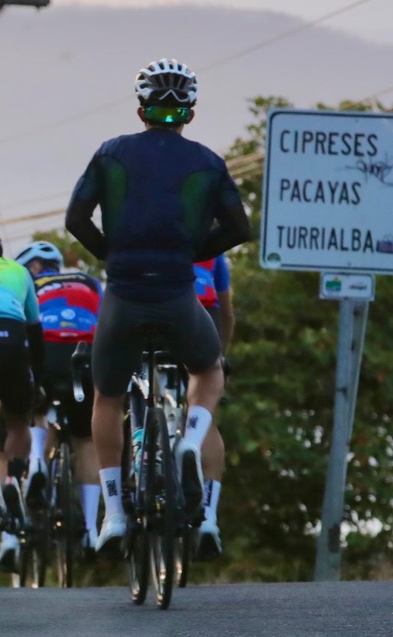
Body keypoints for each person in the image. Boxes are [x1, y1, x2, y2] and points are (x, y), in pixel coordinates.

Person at [64, 59, 250, 555]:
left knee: (107, 395)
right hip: (176, 293)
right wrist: (193, 252)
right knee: (208, 370)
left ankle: (115, 517)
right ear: (189, 109)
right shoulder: (208, 161)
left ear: (141, 106)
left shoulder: (111, 153)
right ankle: (189, 440)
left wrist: (110, 253)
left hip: (123, 294)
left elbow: (76, 218)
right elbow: (239, 228)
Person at [15, 239, 103, 556]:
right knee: (87, 438)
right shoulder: (90, 282)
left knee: (35, 408)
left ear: (35, 267)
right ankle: (92, 530)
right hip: (86, 353)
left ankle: (38, 461)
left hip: (48, 351)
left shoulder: (31, 284)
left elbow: (25, 329)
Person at [0, 226, 45, 572]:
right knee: (18, 419)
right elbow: (35, 329)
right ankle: (13, 478)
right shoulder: (19, 271)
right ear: (1, 250)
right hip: (13, 337)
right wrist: (39, 380)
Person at [193, 254, 234, 558]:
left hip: (155, 307)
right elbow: (228, 315)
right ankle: (209, 515)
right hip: (206, 315)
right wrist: (221, 359)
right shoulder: (215, 253)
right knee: (204, 416)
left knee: (141, 394)